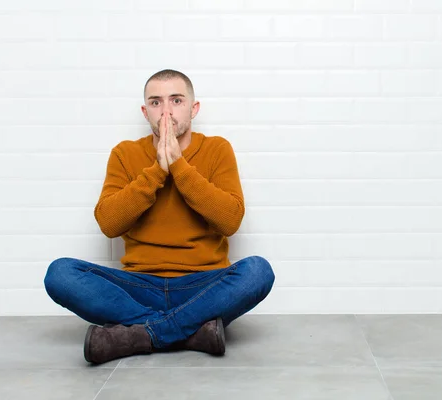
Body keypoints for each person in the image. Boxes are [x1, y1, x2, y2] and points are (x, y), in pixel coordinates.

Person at [43, 69, 275, 365]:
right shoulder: (125, 154)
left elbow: (230, 221)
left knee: (258, 271)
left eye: (176, 101)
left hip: (202, 286)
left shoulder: (217, 149)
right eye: (156, 103)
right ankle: (188, 331)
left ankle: (143, 334)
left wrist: (179, 166)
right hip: (139, 287)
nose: (166, 112)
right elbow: (109, 224)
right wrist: (157, 171)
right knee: (60, 273)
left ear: (194, 108)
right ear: (145, 111)